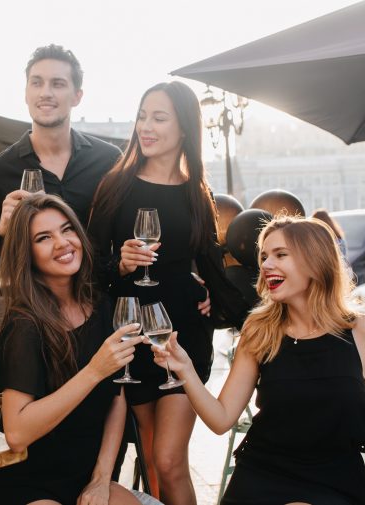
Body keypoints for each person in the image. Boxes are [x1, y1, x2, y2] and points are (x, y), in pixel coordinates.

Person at [153, 216, 365, 504]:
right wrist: (186, 371)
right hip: (261, 476)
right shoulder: (259, 331)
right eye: (264, 256)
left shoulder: (363, 331)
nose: (266, 265)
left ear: (316, 261)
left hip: (336, 483)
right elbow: (221, 419)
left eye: (280, 255)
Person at [88, 81, 248, 503]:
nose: (146, 126)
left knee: (170, 459)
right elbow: (87, 268)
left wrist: (215, 303)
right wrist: (120, 263)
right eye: (143, 116)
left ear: (184, 129)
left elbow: (216, 267)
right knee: (154, 462)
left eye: (159, 118)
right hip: (131, 337)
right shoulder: (115, 186)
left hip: (181, 339)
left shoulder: (198, 192)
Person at [0, 193, 143, 505]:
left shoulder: (102, 307)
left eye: (67, 229)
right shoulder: (24, 325)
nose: (62, 243)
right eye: (44, 238)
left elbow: (117, 399)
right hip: (29, 483)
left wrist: (101, 480)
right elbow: (16, 433)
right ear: (26, 253)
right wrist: (94, 371)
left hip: (86, 476)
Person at [0, 44, 121, 273]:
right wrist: (1, 228)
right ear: (26, 94)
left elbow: (128, 237)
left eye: (57, 84)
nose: (45, 92)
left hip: (102, 302)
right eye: (36, 83)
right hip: (34, 306)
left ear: (77, 96)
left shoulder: (109, 160)